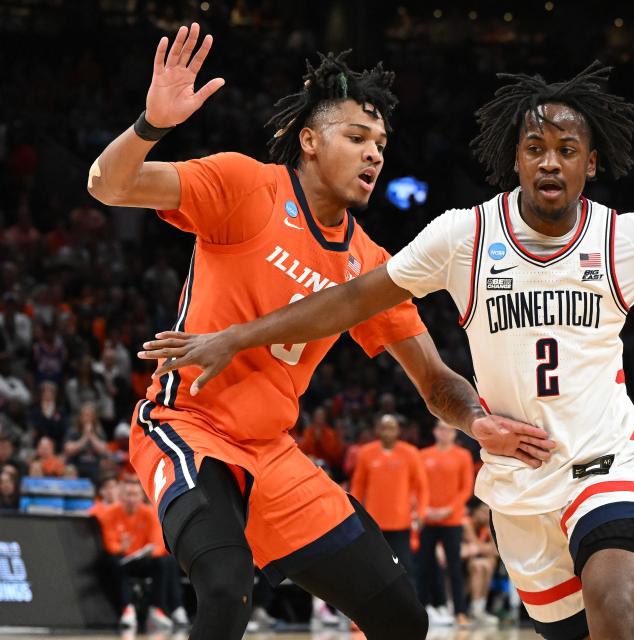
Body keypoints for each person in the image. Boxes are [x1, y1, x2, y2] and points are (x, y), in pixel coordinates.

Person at [138, 62, 634, 639]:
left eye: (567, 148)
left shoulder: (625, 241)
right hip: (517, 486)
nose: (549, 160)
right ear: (513, 158)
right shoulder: (461, 236)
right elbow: (346, 301)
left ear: (592, 161)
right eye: (535, 147)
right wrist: (234, 337)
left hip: (603, 463)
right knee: (568, 631)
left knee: (617, 609)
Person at [89, 24, 550, 640]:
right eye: (357, 137)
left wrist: (475, 421)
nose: (375, 154)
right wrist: (151, 125)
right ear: (307, 141)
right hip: (186, 429)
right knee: (225, 590)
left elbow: (435, 380)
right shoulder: (244, 185)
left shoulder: (372, 267)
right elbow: (107, 184)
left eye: (381, 143)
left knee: (403, 620)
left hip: (272, 453)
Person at [351, 413, 429, 576]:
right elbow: (358, 487)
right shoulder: (366, 453)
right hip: (374, 522)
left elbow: (422, 487)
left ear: (398, 431)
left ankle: (408, 601)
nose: (387, 432)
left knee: (404, 566)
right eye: (384, 428)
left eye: (391, 428)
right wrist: (354, 514)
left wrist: (421, 513)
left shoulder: (411, 453)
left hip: (401, 522)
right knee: (374, 566)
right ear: (377, 430)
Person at [418, 419, 475, 626]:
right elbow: (417, 486)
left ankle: (461, 612)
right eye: (441, 428)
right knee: (423, 566)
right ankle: (421, 610)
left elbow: (466, 488)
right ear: (435, 432)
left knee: (454, 567)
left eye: (448, 429)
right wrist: (425, 510)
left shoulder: (463, 455)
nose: (444, 433)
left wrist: (449, 509)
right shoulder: (423, 455)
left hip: (452, 519)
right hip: (428, 518)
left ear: (454, 433)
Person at [100, 477, 174, 631]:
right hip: (123, 560)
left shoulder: (150, 514)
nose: (131, 499)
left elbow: (158, 544)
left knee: (163, 562)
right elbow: (110, 544)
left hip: (143, 559)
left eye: (135, 495)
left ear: (141, 497)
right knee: (115, 561)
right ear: (121, 496)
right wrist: (122, 548)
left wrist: (150, 552)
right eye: (128, 494)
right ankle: (128, 609)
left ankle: (156, 608)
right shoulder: (110, 514)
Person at [461, 500, 500, 626]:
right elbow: (476, 546)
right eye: (482, 512)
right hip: (460, 563)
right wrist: (485, 548)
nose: (485, 516)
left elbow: (496, 551)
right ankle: (475, 609)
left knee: (488, 564)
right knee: (479, 565)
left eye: (487, 513)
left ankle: (479, 607)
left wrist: (489, 531)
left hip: (477, 560)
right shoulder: (467, 523)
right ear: (475, 511)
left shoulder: (486, 527)